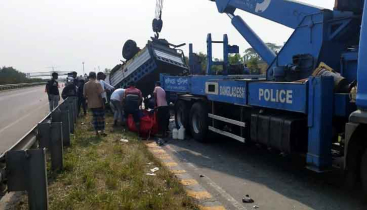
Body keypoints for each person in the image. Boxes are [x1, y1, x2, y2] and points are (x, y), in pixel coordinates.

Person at [84, 72, 107, 136]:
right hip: (99, 103)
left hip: (91, 104)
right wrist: (103, 104)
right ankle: (102, 131)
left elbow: (84, 95)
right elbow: (100, 95)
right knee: (101, 118)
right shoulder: (97, 83)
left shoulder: (86, 84)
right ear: (95, 76)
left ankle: (96, 132)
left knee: (95, 118)